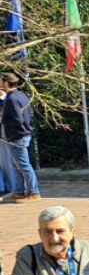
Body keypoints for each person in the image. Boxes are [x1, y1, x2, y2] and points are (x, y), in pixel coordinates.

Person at [0, 72, 40, 202]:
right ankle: (19, 192)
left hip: (17, 136)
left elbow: (18, 120)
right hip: (20, 135)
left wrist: (2, 120)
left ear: (6, 82)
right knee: (16, 165)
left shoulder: (12, 99)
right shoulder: (20, 95)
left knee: (23, 166)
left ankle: (34, 192)